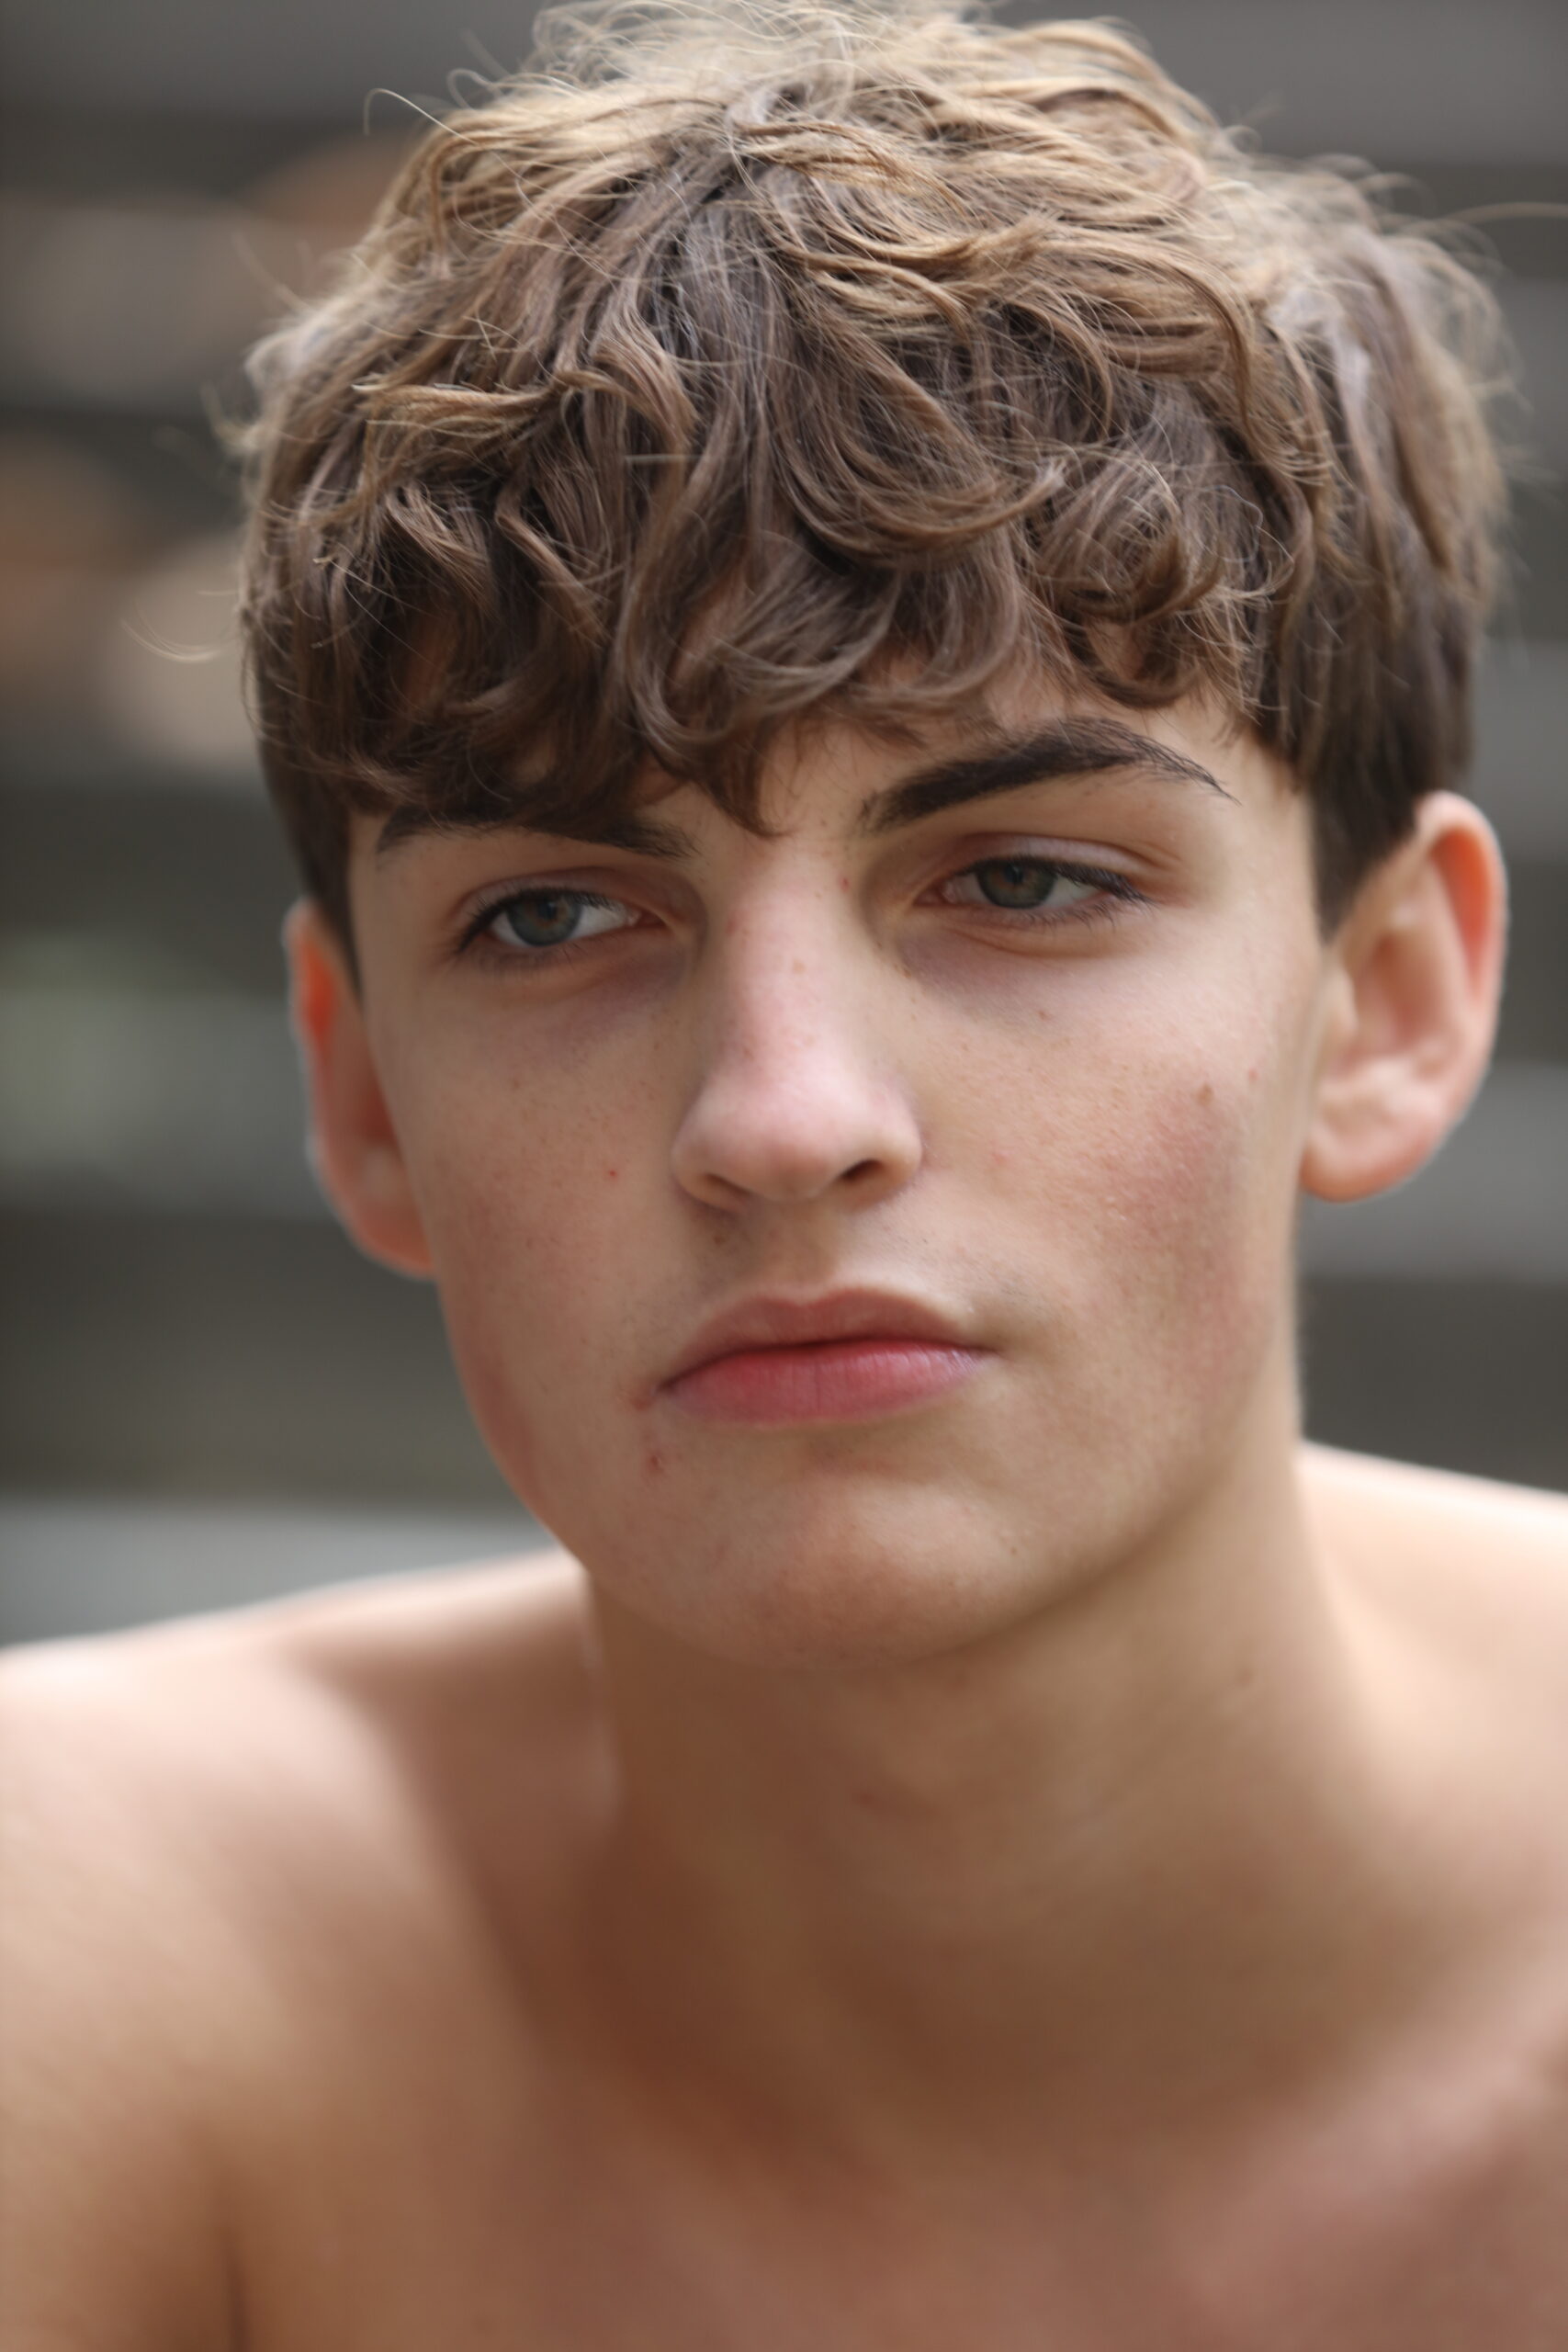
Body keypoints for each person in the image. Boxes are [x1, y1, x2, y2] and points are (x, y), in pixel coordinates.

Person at [4, 4, 1565, 2343]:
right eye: (554, 916)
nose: (779, 1110)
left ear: (1389, 996)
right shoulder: (97, 1943)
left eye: (1021, 880)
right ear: (362, 1095)